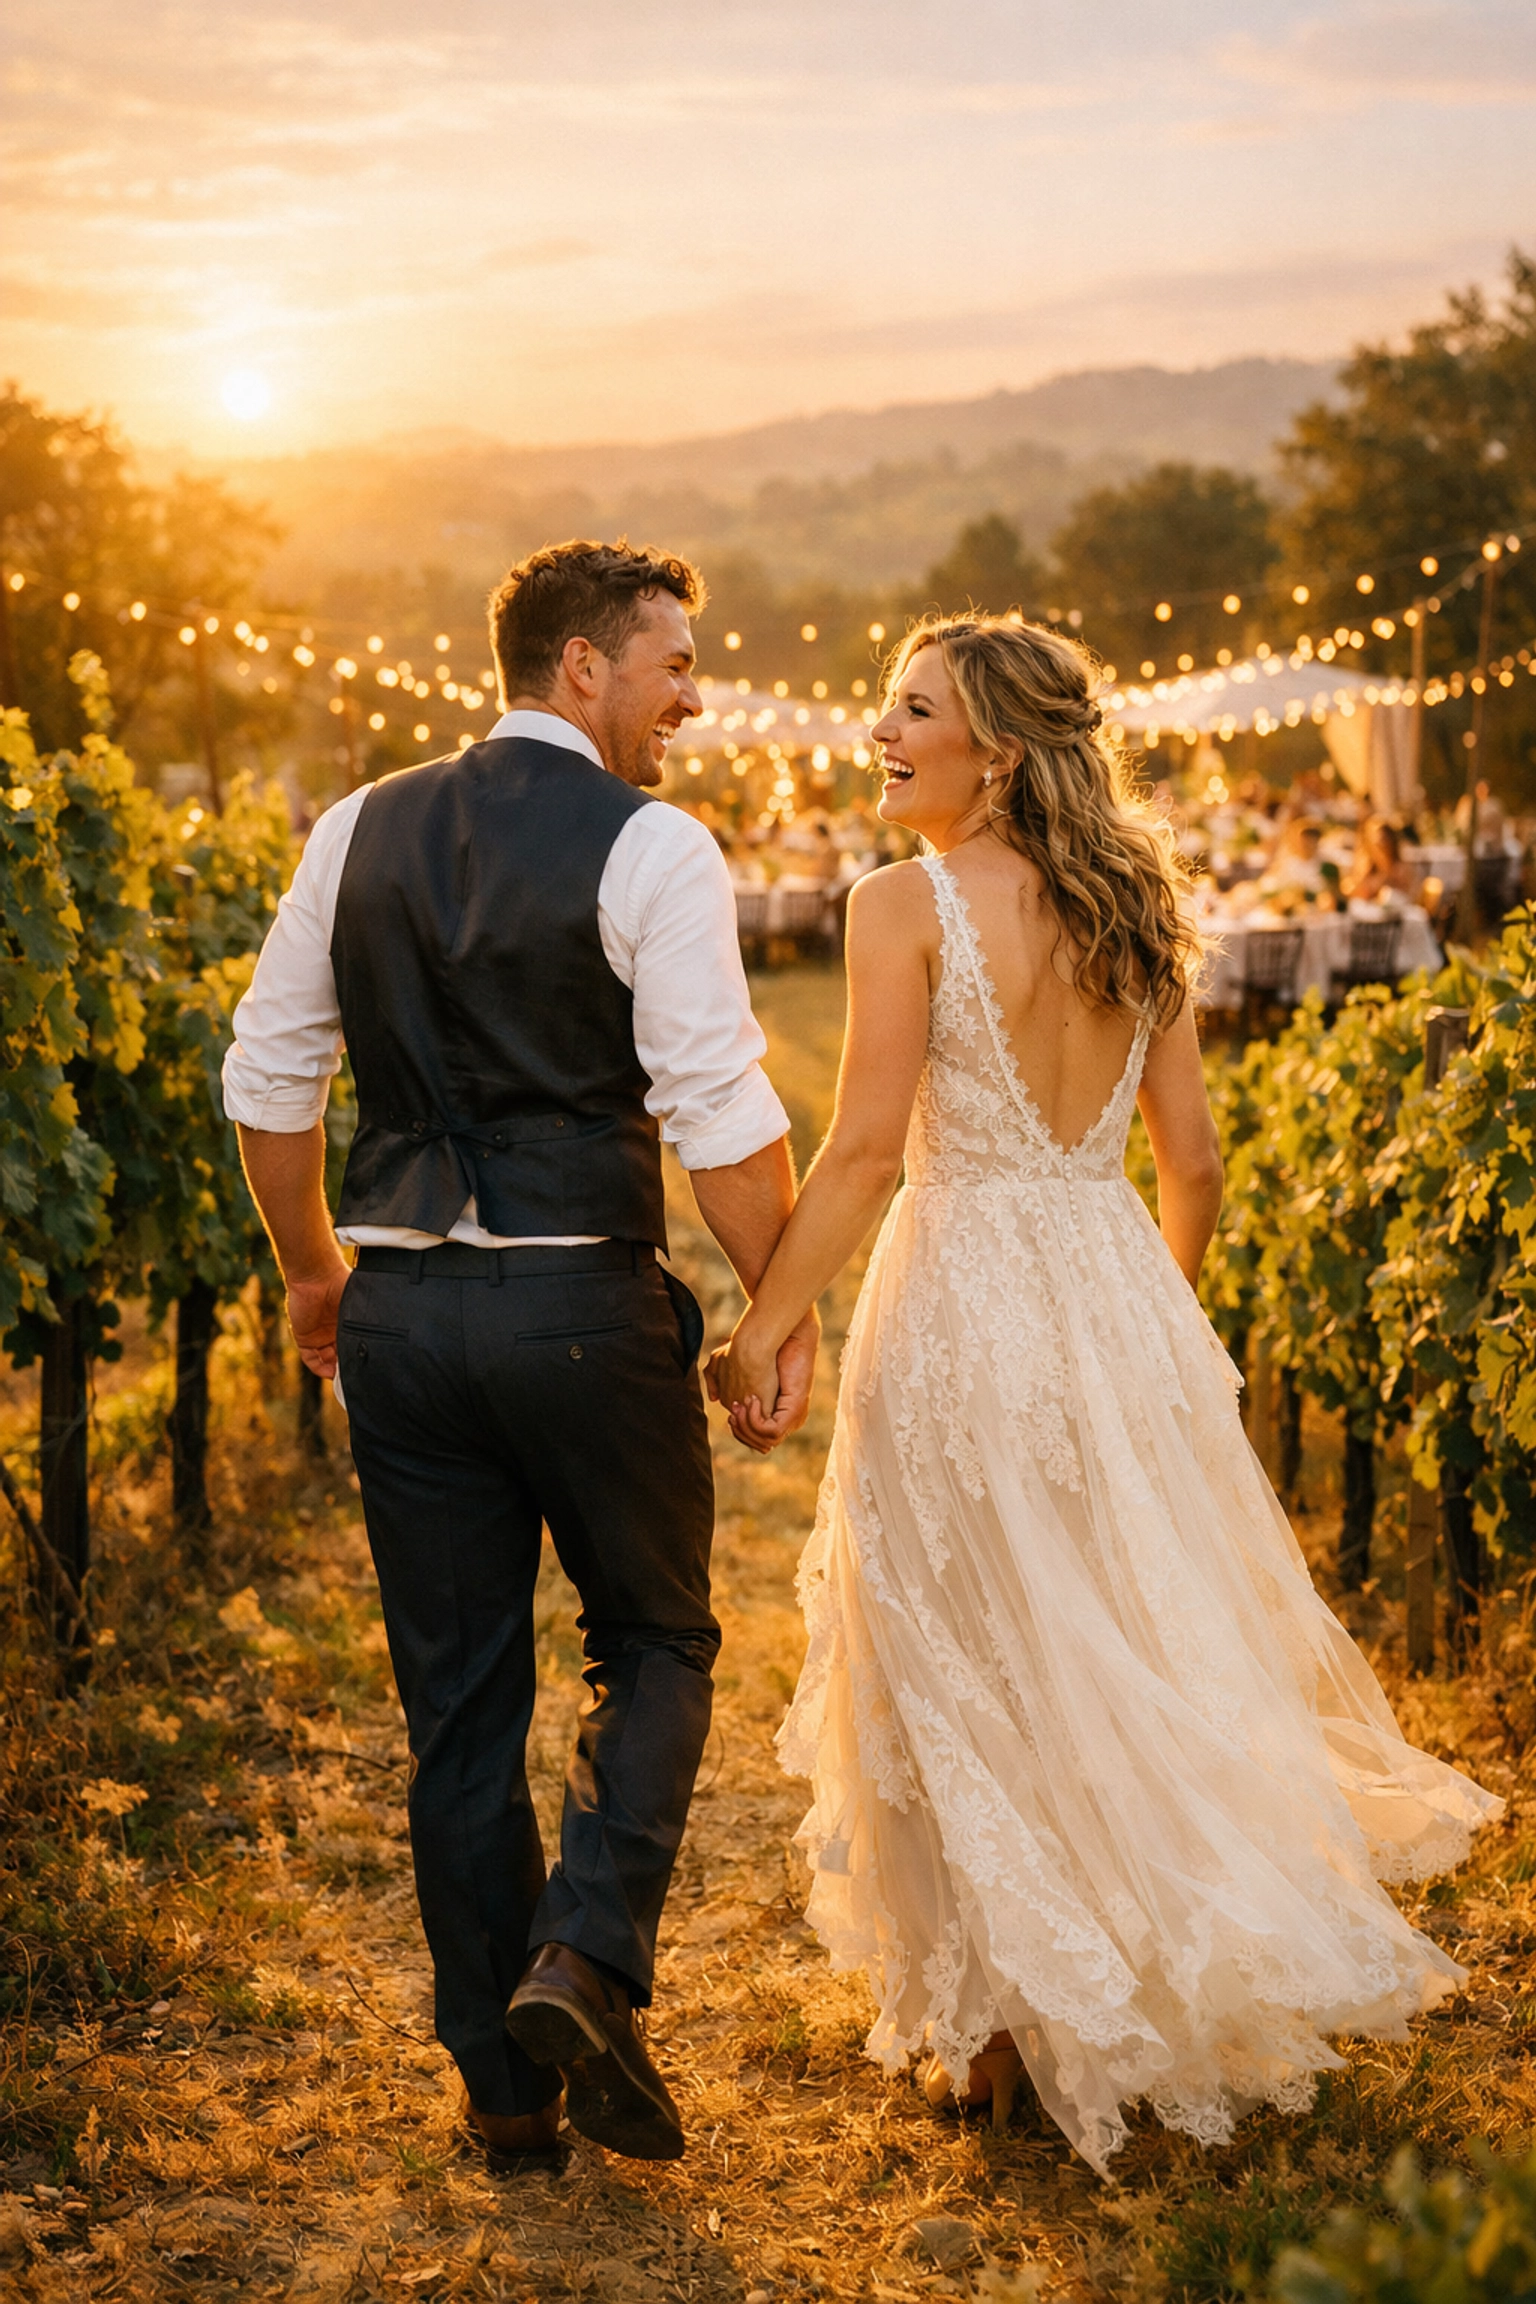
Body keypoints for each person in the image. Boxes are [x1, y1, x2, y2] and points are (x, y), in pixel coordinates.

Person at [708, 613, 1502, 2176]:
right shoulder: (1140, 908)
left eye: (911, 708)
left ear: (995, 750)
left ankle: (1005, 2027)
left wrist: (763, 1327)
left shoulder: (898, 905)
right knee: (1104, 1631)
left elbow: (866, 1152)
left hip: (959, 1298)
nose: (879, 730)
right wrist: (1139, 1320)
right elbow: (1192, 1165)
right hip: (1112, 1289)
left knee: (961, 1638)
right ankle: (1098, 1978)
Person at [224, 541, 818, 2170]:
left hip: (404, 1319)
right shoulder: (656, 847)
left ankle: (504, 2093)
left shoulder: (355, 828)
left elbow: (268, 1083)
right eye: (672, 663)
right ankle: (583, 1957)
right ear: (580, 668)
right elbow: (718, 1113)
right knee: (659, 1637)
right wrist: (778, 1312)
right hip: (580, 1309)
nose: (693, 696)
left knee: (461, 1712)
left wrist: (313, 1275)